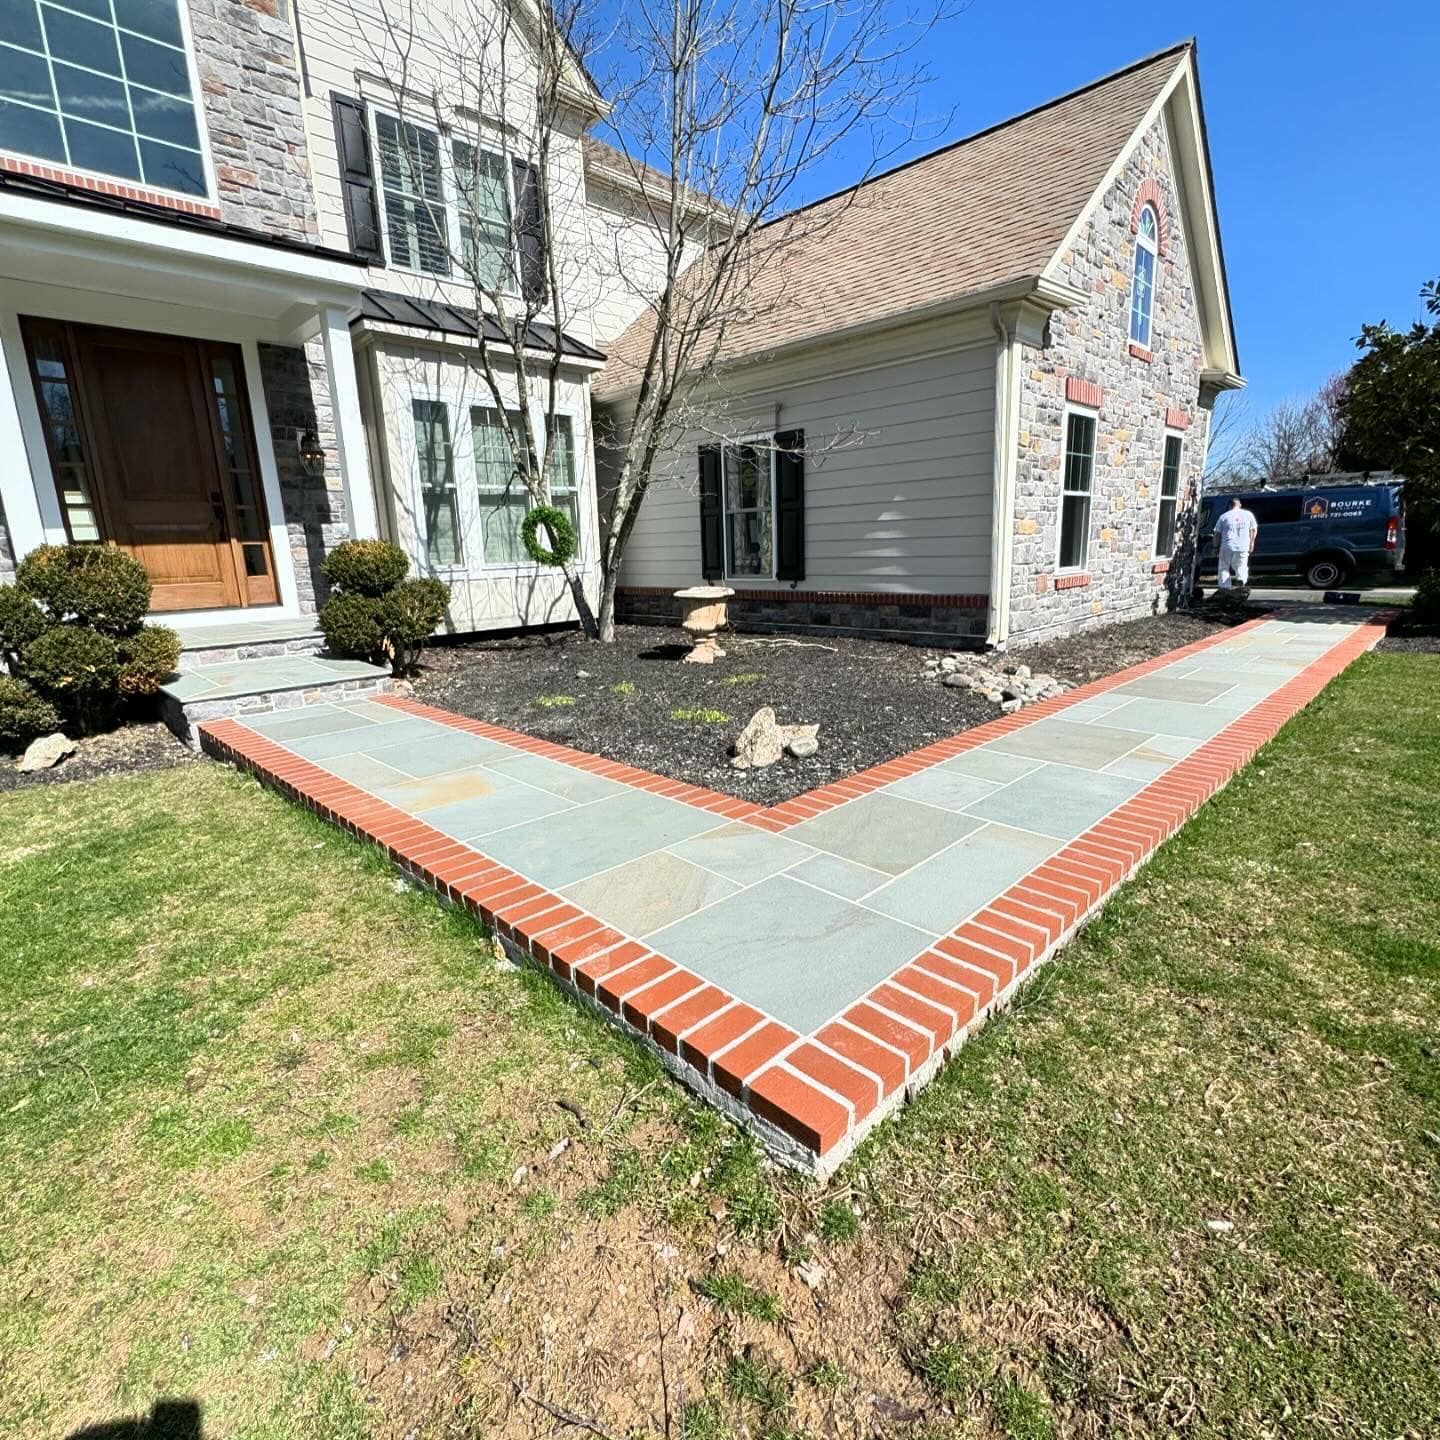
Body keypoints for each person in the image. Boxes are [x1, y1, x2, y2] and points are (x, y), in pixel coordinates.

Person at [1213, 495, 1258, 589]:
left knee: (1224, 567)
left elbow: (1217, 534)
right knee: (1241, 565)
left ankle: (1225, 587)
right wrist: (1252, 543)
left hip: (1227, 546)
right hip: (1243, 546)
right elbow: (1253, 530)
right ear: (1240, 504)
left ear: (1230, 505)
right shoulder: (1248, 515)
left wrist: (1215, 547)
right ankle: (1241, 580)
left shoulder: (1224, 516)